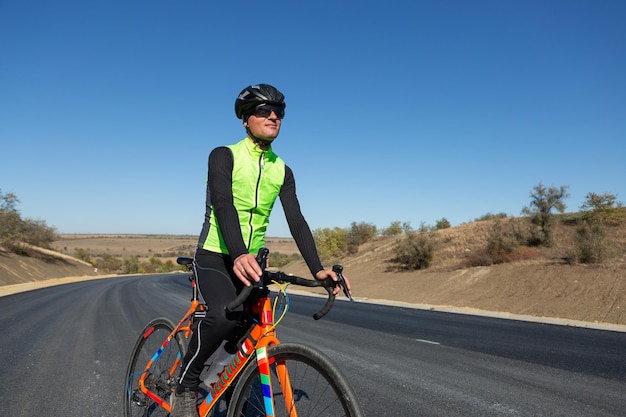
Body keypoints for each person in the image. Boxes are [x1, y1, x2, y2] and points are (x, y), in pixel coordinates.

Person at [171, 83, 351, 417]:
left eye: (278, 112)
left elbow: (296, 220)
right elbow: (223, 205)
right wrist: (238, 253)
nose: (272, 116)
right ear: (245, 119)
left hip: (250, 260)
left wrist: (318, 269)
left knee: (248, 329)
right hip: (216, 255)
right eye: (262, 111)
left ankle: (225, 383)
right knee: (222, 317)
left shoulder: (282, 170)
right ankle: (186, 382)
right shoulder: (224, 155)